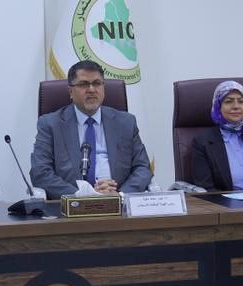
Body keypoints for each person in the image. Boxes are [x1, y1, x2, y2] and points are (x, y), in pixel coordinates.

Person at [30, 61, 152, 199]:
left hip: (119, 202)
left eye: (97, 83)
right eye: (83, 84)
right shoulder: (50, 124)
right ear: (70, 91)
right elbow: (40, 172)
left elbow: (143, 168)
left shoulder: (126, 122)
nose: (92, 90)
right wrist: (84, 195)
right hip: (73, 204)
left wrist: (120, 195)